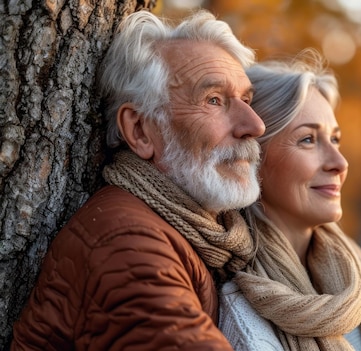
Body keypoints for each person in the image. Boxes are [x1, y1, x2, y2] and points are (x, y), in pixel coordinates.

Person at [11, 10, 265, 350]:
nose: (254, 125)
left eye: (246, 100)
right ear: (141, 130)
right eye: (214, 100)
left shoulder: (203, 235)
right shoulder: (128, 242)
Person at [219, 50, 361, 351]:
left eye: (335, 139)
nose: (339, 162)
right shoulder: (231, 295)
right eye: (308, 139)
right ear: (253, 158)